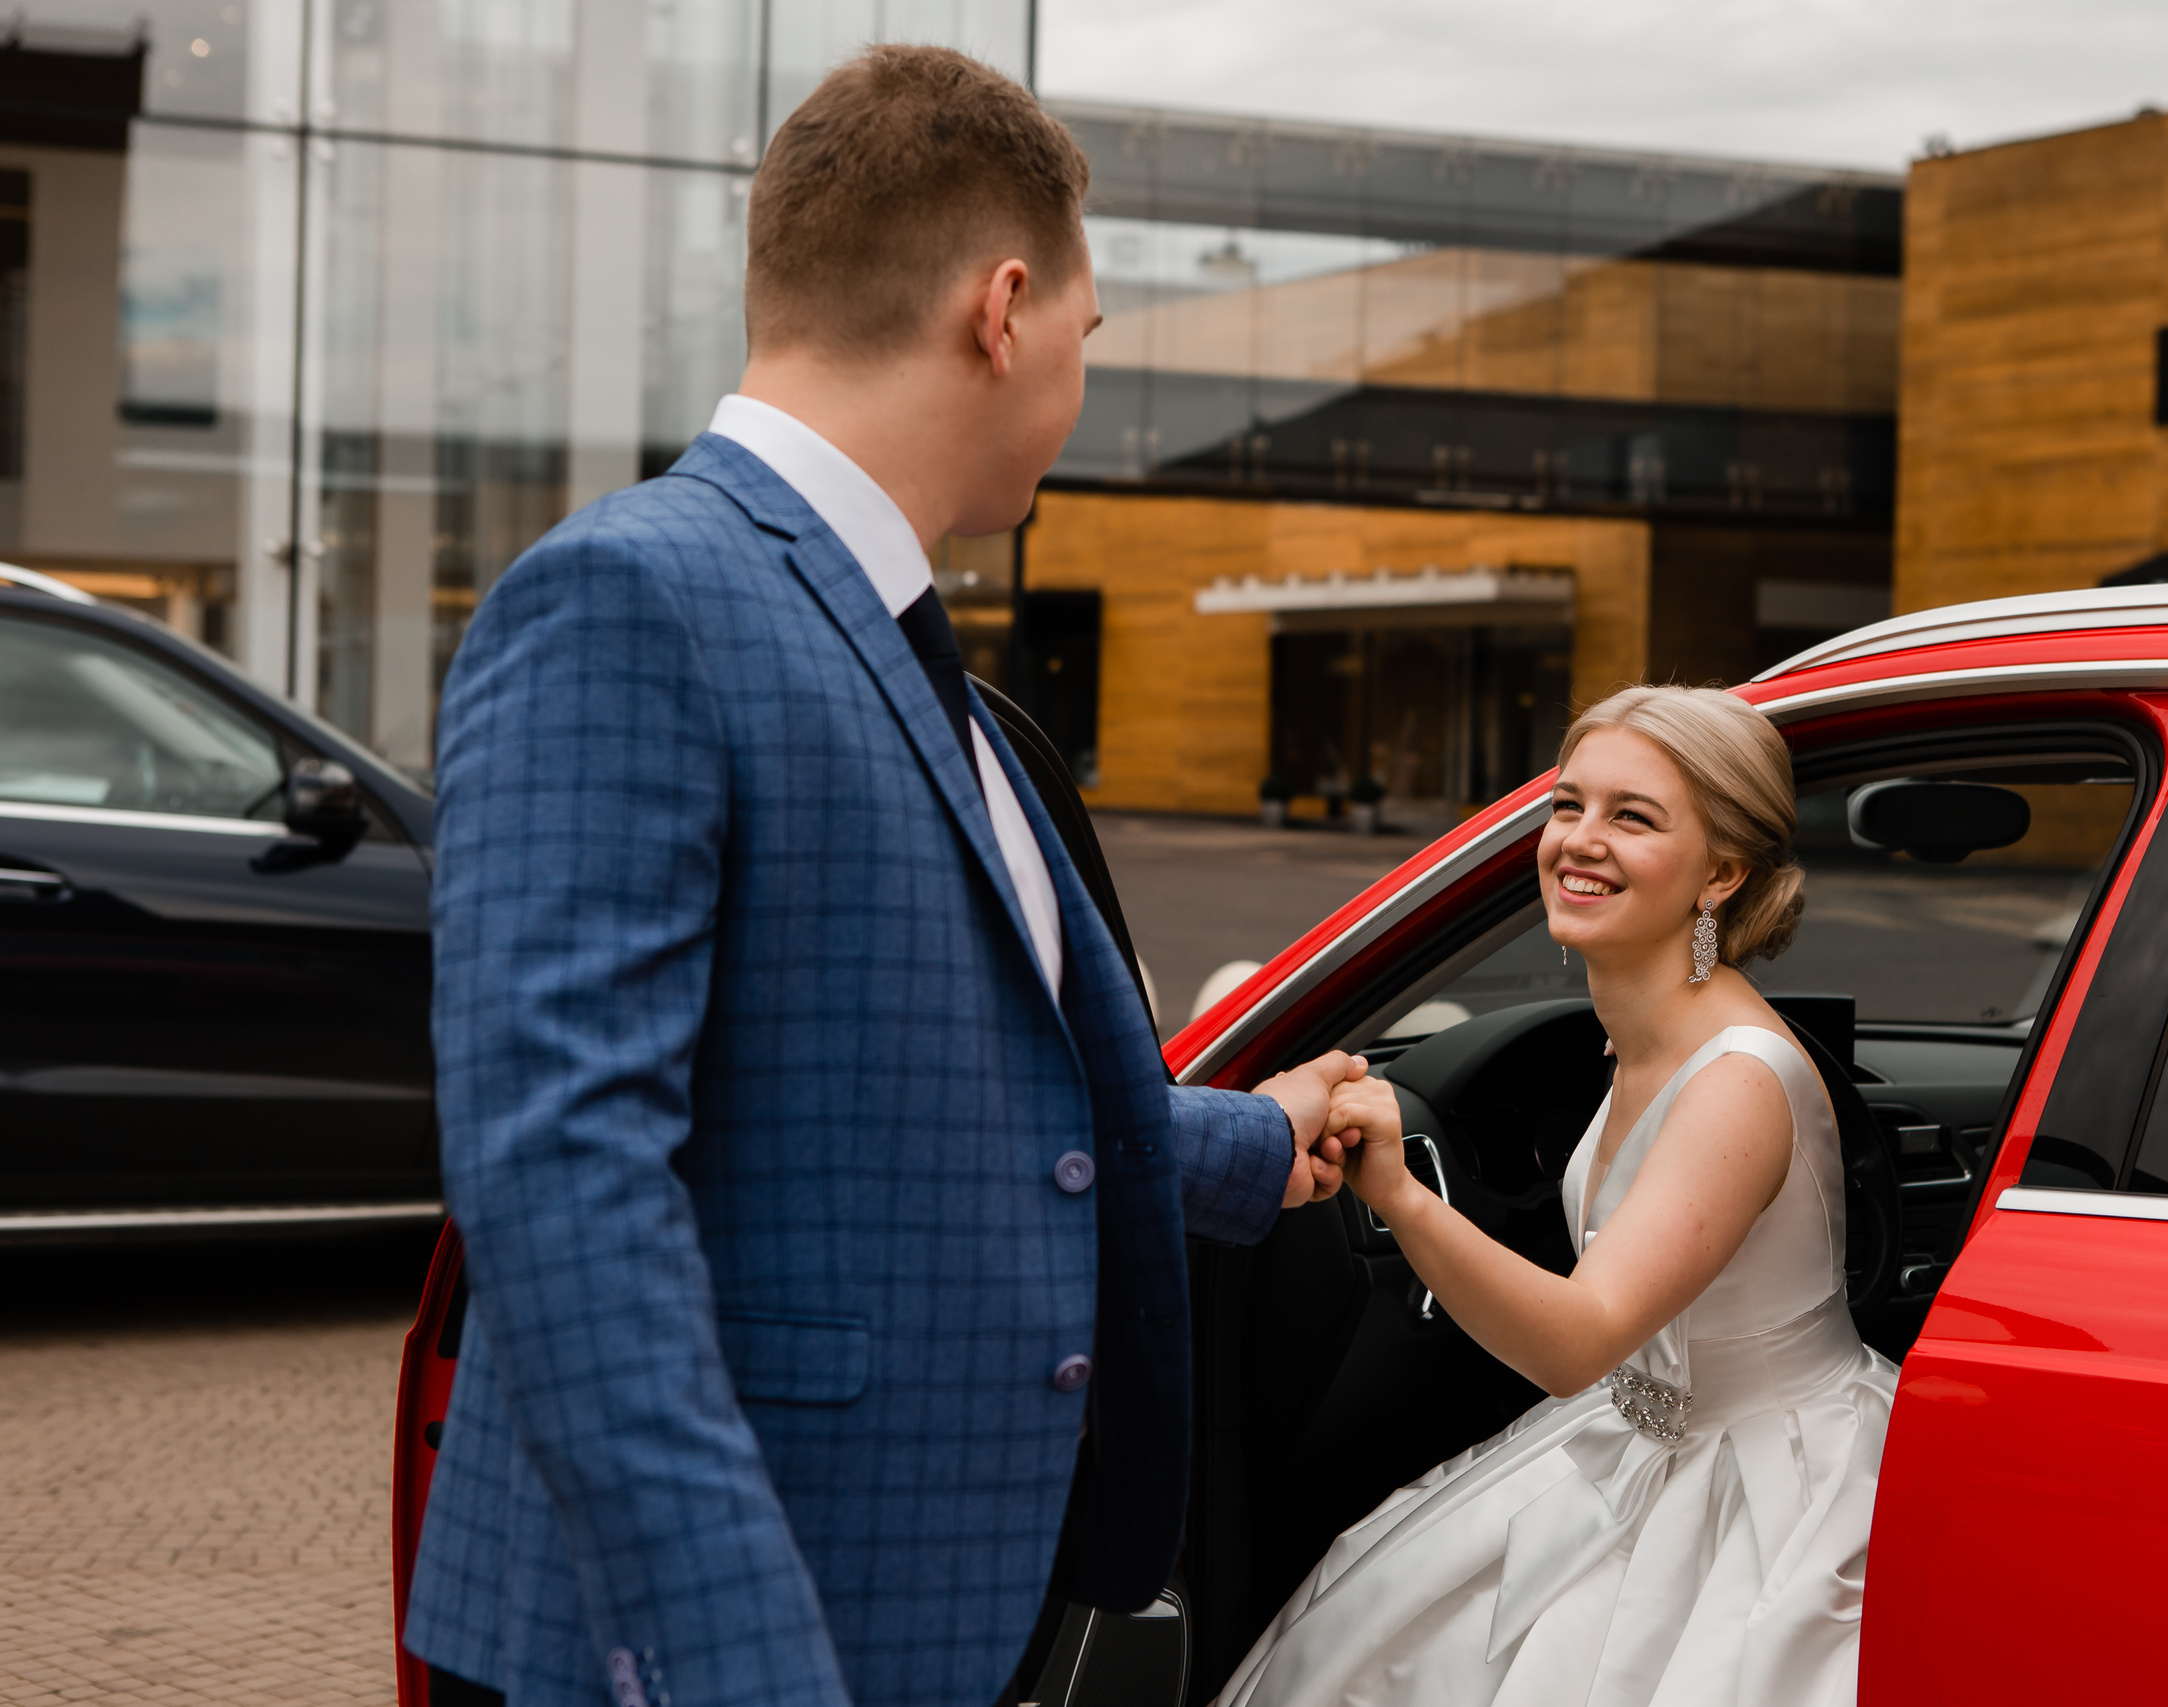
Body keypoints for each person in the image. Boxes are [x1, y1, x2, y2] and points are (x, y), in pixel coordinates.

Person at [401, 46, 1365, 1707]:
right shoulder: (628, 601)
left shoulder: (932, 673)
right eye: (1088, 327)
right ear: (1003, 308)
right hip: (720, 1651)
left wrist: (1258, 1141)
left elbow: (935, 1096)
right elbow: (563, 1200)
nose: (1082, 368)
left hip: (927, 1608)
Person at [1216, 685, 1899, 1707]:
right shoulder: (1643, 1030)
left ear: (1721, 872)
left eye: (1632, 817)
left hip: (1764, 1485)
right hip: (1641, 1440)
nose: (1577, 841)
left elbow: (1582, 1340)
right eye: (1568, 804)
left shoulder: (1736, 1083)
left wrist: (1403, 1195)